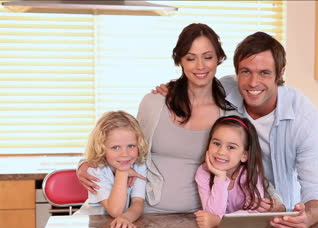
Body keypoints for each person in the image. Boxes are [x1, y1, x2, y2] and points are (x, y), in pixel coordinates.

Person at [77, 23, 240, 213]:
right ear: (180, 61)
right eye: (190, 58)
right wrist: (84, 164)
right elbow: (125, 146)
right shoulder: (154, 103)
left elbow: (249, 167)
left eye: (208, 57)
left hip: (204, 217)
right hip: (146, 214)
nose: (200, 66)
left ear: (219, 59)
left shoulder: (230, 116)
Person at [219, 32, 318, 228]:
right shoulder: (223, 92)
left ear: (280, 73)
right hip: (228, 215)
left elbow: (317, 188)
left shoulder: (303, 117)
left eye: (264, 73)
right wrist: (169, 90)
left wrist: (305, 218)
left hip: (280, 218)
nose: (253, 83)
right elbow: (191, 87)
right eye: (245, 72)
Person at [194, 115, 279, 228]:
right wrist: (220, 177)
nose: (221, 152)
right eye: (216, 143)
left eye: (231, 147)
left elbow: (253, 213)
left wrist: (219, 221)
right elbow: (211, 214)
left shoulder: (250, 174)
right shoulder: (203, 172)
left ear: (244, 155)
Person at [78, 110, 149, 228]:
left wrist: (127, 217)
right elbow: (115, 210)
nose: (125, 154)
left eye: (131, 146)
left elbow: (138, 202)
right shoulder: (95, 170)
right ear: (101, 148)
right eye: (115, 147)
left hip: (119, 227)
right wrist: (123, 172)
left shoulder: (139, 166)